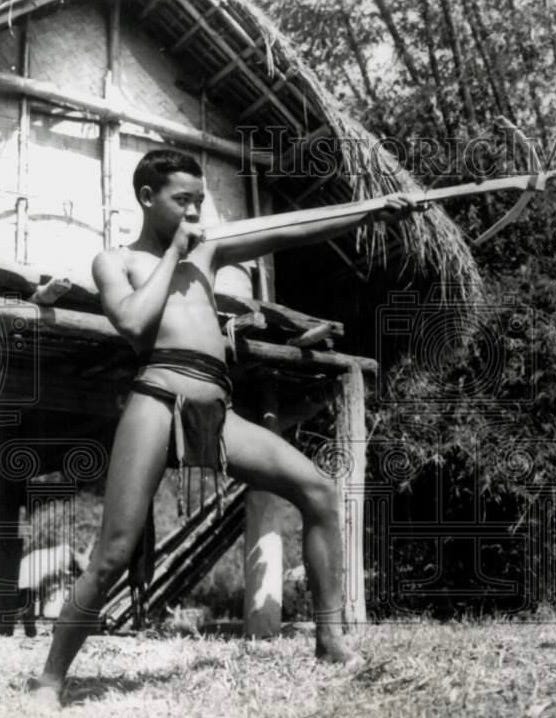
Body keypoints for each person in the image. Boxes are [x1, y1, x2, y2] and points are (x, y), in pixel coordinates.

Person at [28, 149, 418, 707]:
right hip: (157, 397)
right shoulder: (115, 261)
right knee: (113, 552)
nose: (193, 211)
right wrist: (176, 254)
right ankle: (50, 679)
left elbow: (291, 230)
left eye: (199, 201)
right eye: (180, 200)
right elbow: (135, 322)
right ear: (146, 198)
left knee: (319, 492)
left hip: (217, 405)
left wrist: (371, 212)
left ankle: (330, 640)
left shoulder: (208, 253)